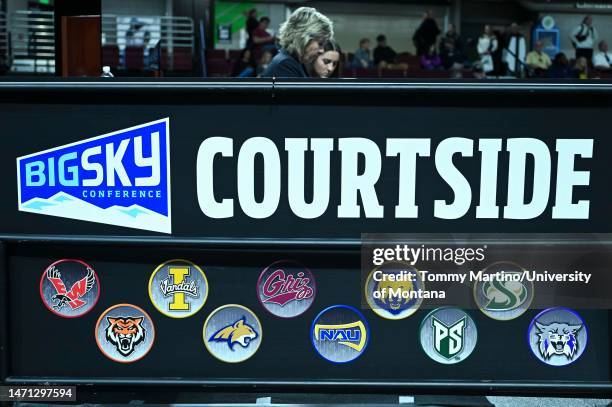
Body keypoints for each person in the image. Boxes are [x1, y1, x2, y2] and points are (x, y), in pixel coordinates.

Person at [261, 7, 333, 78]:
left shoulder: (293, 62)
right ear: (302, 37)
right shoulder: (285, 65)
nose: (322, 51)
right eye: (320, 44)